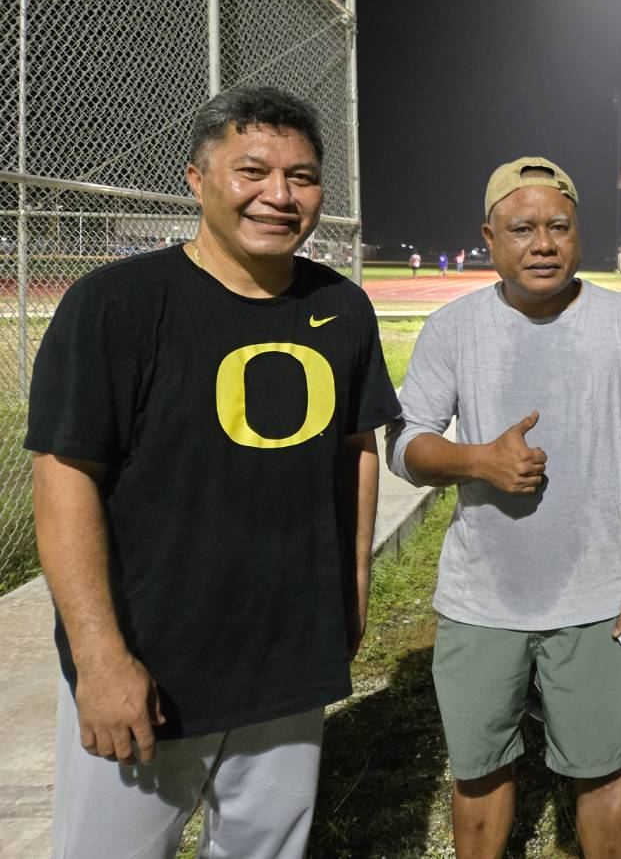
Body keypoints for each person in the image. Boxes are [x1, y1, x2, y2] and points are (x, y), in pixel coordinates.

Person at [28, 86, 401, 858]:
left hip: (286, 655)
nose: (279, 196)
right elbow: (64, 478)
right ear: (197, 181)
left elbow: (354, 452)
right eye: (252, 171)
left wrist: (350, 596)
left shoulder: (344, 308)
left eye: (301, 176)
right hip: (150, 662)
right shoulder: (115, 305)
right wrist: (100, 660)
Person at [388, 155, 621, 859]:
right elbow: (406, 443)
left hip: (598, 594)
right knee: (479, 767)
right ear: (488, 238)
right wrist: (474, 460)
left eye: (559, 226)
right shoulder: (454, 329)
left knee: (602, 765)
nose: (542, 243)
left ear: (579, 235)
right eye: (522, 228)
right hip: (482, 596)